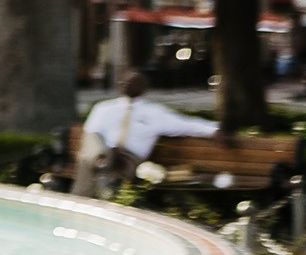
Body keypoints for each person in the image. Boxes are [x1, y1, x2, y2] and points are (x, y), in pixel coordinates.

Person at [75, 70, 220, 198]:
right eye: (125, 82)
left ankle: (86, 196)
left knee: (101, 165)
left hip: (128, 159)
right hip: (102, 155)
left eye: (134, 82)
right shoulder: (104, 108)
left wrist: (215, 129)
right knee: (94, 144)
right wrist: (103, 156)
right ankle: (101, 172)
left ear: (144, 89)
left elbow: (186, 124)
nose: (128, 85)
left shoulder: (154, 113)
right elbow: (91, 135)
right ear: (120, 86)